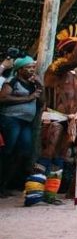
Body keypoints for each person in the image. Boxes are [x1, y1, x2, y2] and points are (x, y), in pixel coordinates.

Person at [40, 23, 77, 205]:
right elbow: (74, 61)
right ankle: (33, 192)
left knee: (61, 155)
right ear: (65, 52)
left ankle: (50, 194)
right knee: (48, 152)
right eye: (72, 50)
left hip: (69, 120)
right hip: (54, 117)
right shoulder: (56, 68)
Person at [0, 56, 42, 199]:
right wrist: (27, 98)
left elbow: (42, 102)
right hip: (12, 120)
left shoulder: (33, 85)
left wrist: (40, 86)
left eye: (33, 67)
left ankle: (5, 184)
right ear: (19, 70)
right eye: (28, 67)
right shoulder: (12, 81)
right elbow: (3, 98)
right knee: (7, 152)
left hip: (26, 123)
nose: (31, 70)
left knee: (23, 152)